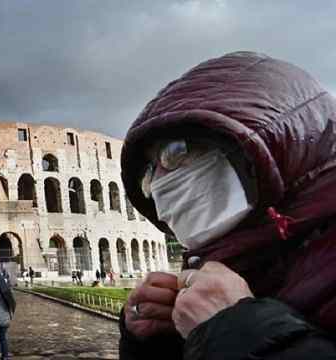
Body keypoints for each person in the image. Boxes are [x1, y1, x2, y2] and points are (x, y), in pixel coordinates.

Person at [118, 51, 336, 359]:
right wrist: (153, 342)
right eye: (148, 173)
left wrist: (236, 331)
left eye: (174, 152)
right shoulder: (227, 261)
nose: (155, 186)